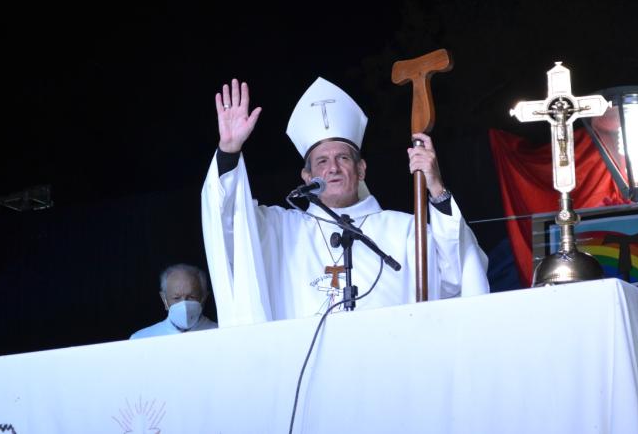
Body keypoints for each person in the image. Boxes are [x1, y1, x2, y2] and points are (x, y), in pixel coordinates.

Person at [201, 76, 490, 327]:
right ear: (306, 176)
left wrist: (435, 186)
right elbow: (229, 224)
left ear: (361, 169)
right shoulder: (280, 229)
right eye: (322, 161)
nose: (333, 168)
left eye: (342, 158)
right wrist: (229, 152)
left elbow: (458, 271)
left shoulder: (404, 231)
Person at [130, 263, 218, 339]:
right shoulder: (141, 339)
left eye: (191, 297)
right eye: (176, 298)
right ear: (164, 300)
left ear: (203, 297)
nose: (184, 304)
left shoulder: (220, 333)